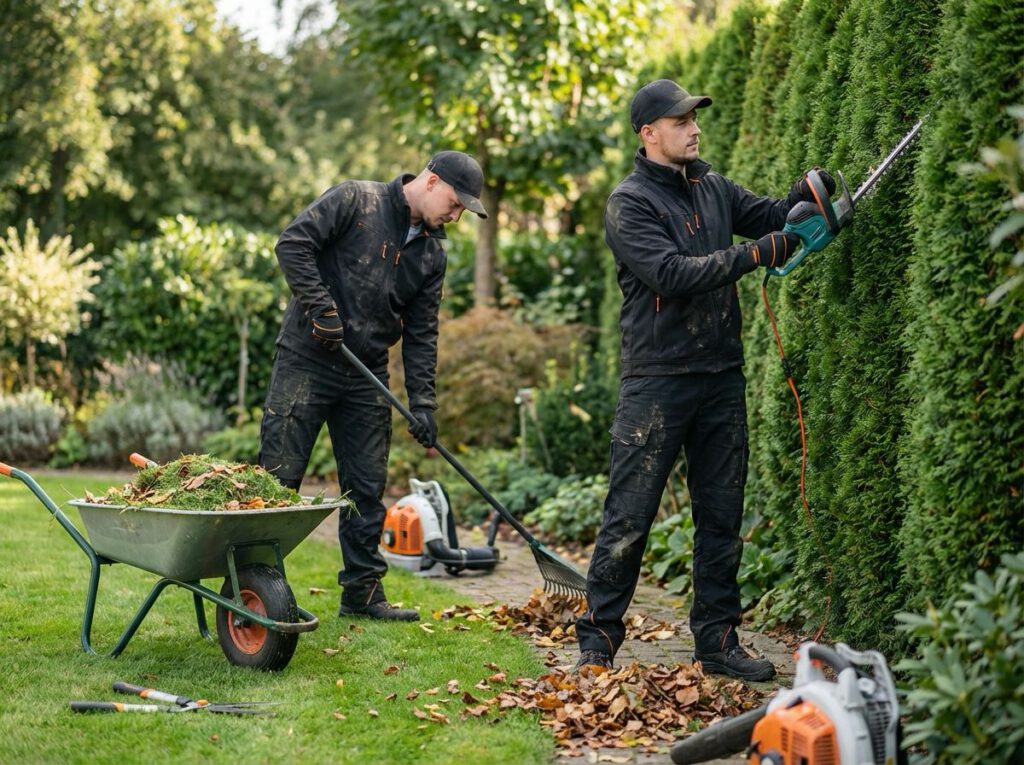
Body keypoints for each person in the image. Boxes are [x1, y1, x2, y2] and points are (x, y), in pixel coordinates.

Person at [574, 79, 834, 680]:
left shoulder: (714, 188)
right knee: (629, 516)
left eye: (695, 118)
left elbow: (771, 217)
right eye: (680, 120)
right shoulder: (629, 203)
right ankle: (598, 640)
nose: (694, 128)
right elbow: (670, 273)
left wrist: (803, 198)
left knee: (721, 516)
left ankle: (717, 641)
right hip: (657, 382)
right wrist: (757, 254)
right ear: (649, 133)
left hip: (721, 376)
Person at [259, 151, 487, 622]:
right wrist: (321, 308)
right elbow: (292, 244)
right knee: (279, 479)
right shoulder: (355, 200)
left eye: (464, 208)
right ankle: (257, 588)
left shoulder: (431, 254)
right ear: (431, 180)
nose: (457, 213)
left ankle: (362, 591)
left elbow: (423, 332)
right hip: (306, 359)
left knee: (366, 486)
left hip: (366, 372)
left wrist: (423, 403)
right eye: (455, 201)